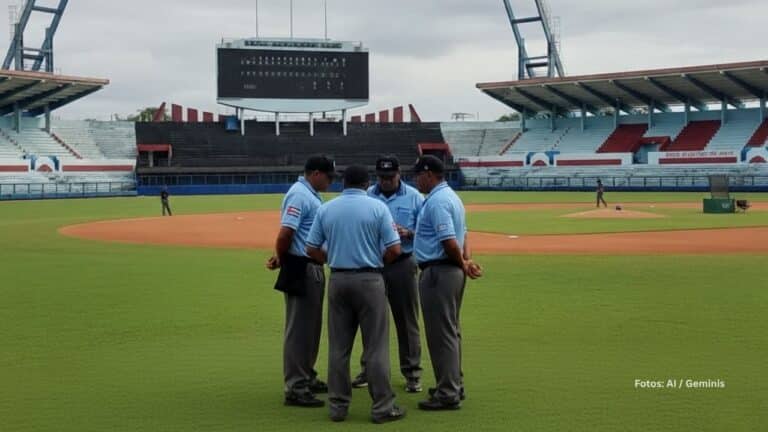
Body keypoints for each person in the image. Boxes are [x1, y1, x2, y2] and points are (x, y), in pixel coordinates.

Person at [306, 165, 406, 424]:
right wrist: (376, 261)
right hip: (370, 278)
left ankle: (338, 407)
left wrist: (332, 259)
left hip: (338, 278)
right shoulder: (377, 208)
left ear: (343, 183)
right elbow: (395, 250)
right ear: (367, 183)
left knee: (338, 348)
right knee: (376, 347)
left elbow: (311, 248)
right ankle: (382, 407)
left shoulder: (326, 208)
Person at [412, 155, 482, 411]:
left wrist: (463, 262)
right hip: (450, 270)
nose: (415, 180)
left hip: (439, 272)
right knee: (450, 331)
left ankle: (448, 392)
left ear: (429, 174)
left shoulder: (438, 201)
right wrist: (466, 260)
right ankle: (452, 383)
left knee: (440, 334)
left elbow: (448, 240)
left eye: (418, 175)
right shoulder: (451, 196)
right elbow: (463, 235)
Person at [266, 155, 335, 408]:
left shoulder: (309, 194)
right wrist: (282, 258)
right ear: (315, 173)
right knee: (300, 330)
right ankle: (296, 386)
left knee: (311, 327)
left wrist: (279, 257)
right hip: (300, 266)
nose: (330, 181)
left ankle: (306, 374)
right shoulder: (299, 195)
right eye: (328, 176)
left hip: (307, 265)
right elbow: (286, 233)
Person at [350, 156, 424, 393]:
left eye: (390, 177)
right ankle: (368, 369)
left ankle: (412, 373)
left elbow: (426, 231)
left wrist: (409, 232)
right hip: (374, 264)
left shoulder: (414, 197)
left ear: (399, 173)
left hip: (402, 263)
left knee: (407, 320)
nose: (387, 182)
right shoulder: (368, 196)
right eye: (382, 178)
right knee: (369, 321)